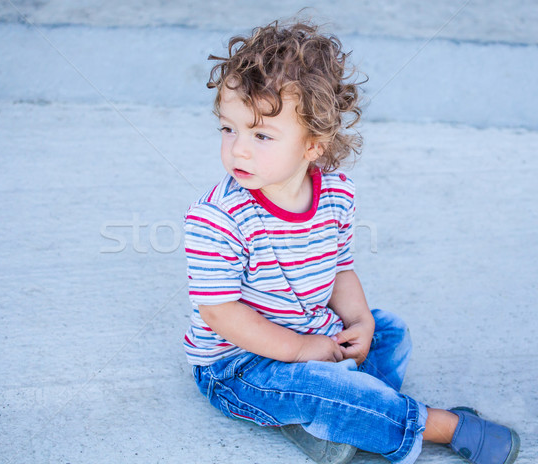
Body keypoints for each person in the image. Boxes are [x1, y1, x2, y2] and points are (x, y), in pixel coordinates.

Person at [182, 20, 520, 464]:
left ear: (313, 146)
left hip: (312, 333)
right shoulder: (218, 218)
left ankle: (337, 420)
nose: (238, 149)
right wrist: (302, 350)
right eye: (229, 129)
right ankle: (439, 425)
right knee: (325, 389)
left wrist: (359, 320)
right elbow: (220, 312)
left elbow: (340, 268)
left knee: (390, 332)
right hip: (240, 366)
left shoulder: (336, 194)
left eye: (261, 135)